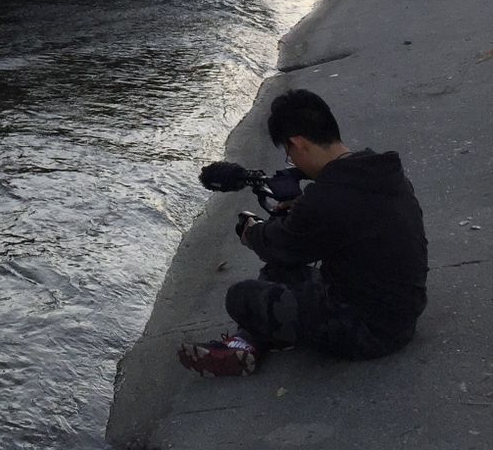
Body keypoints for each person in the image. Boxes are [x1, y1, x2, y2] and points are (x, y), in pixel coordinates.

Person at [178, 89, 428, 377]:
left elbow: (278, 244)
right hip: (400, 309)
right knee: (278, 273)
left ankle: (248, 342)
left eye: (289, 153)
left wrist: (251, 231)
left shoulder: (325, 198)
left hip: (368, 330)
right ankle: (246, 344)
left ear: (298, 143)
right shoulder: (379, 171)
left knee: (241, 297)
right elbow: (338, 224)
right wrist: (300, 208)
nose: (292, 162)